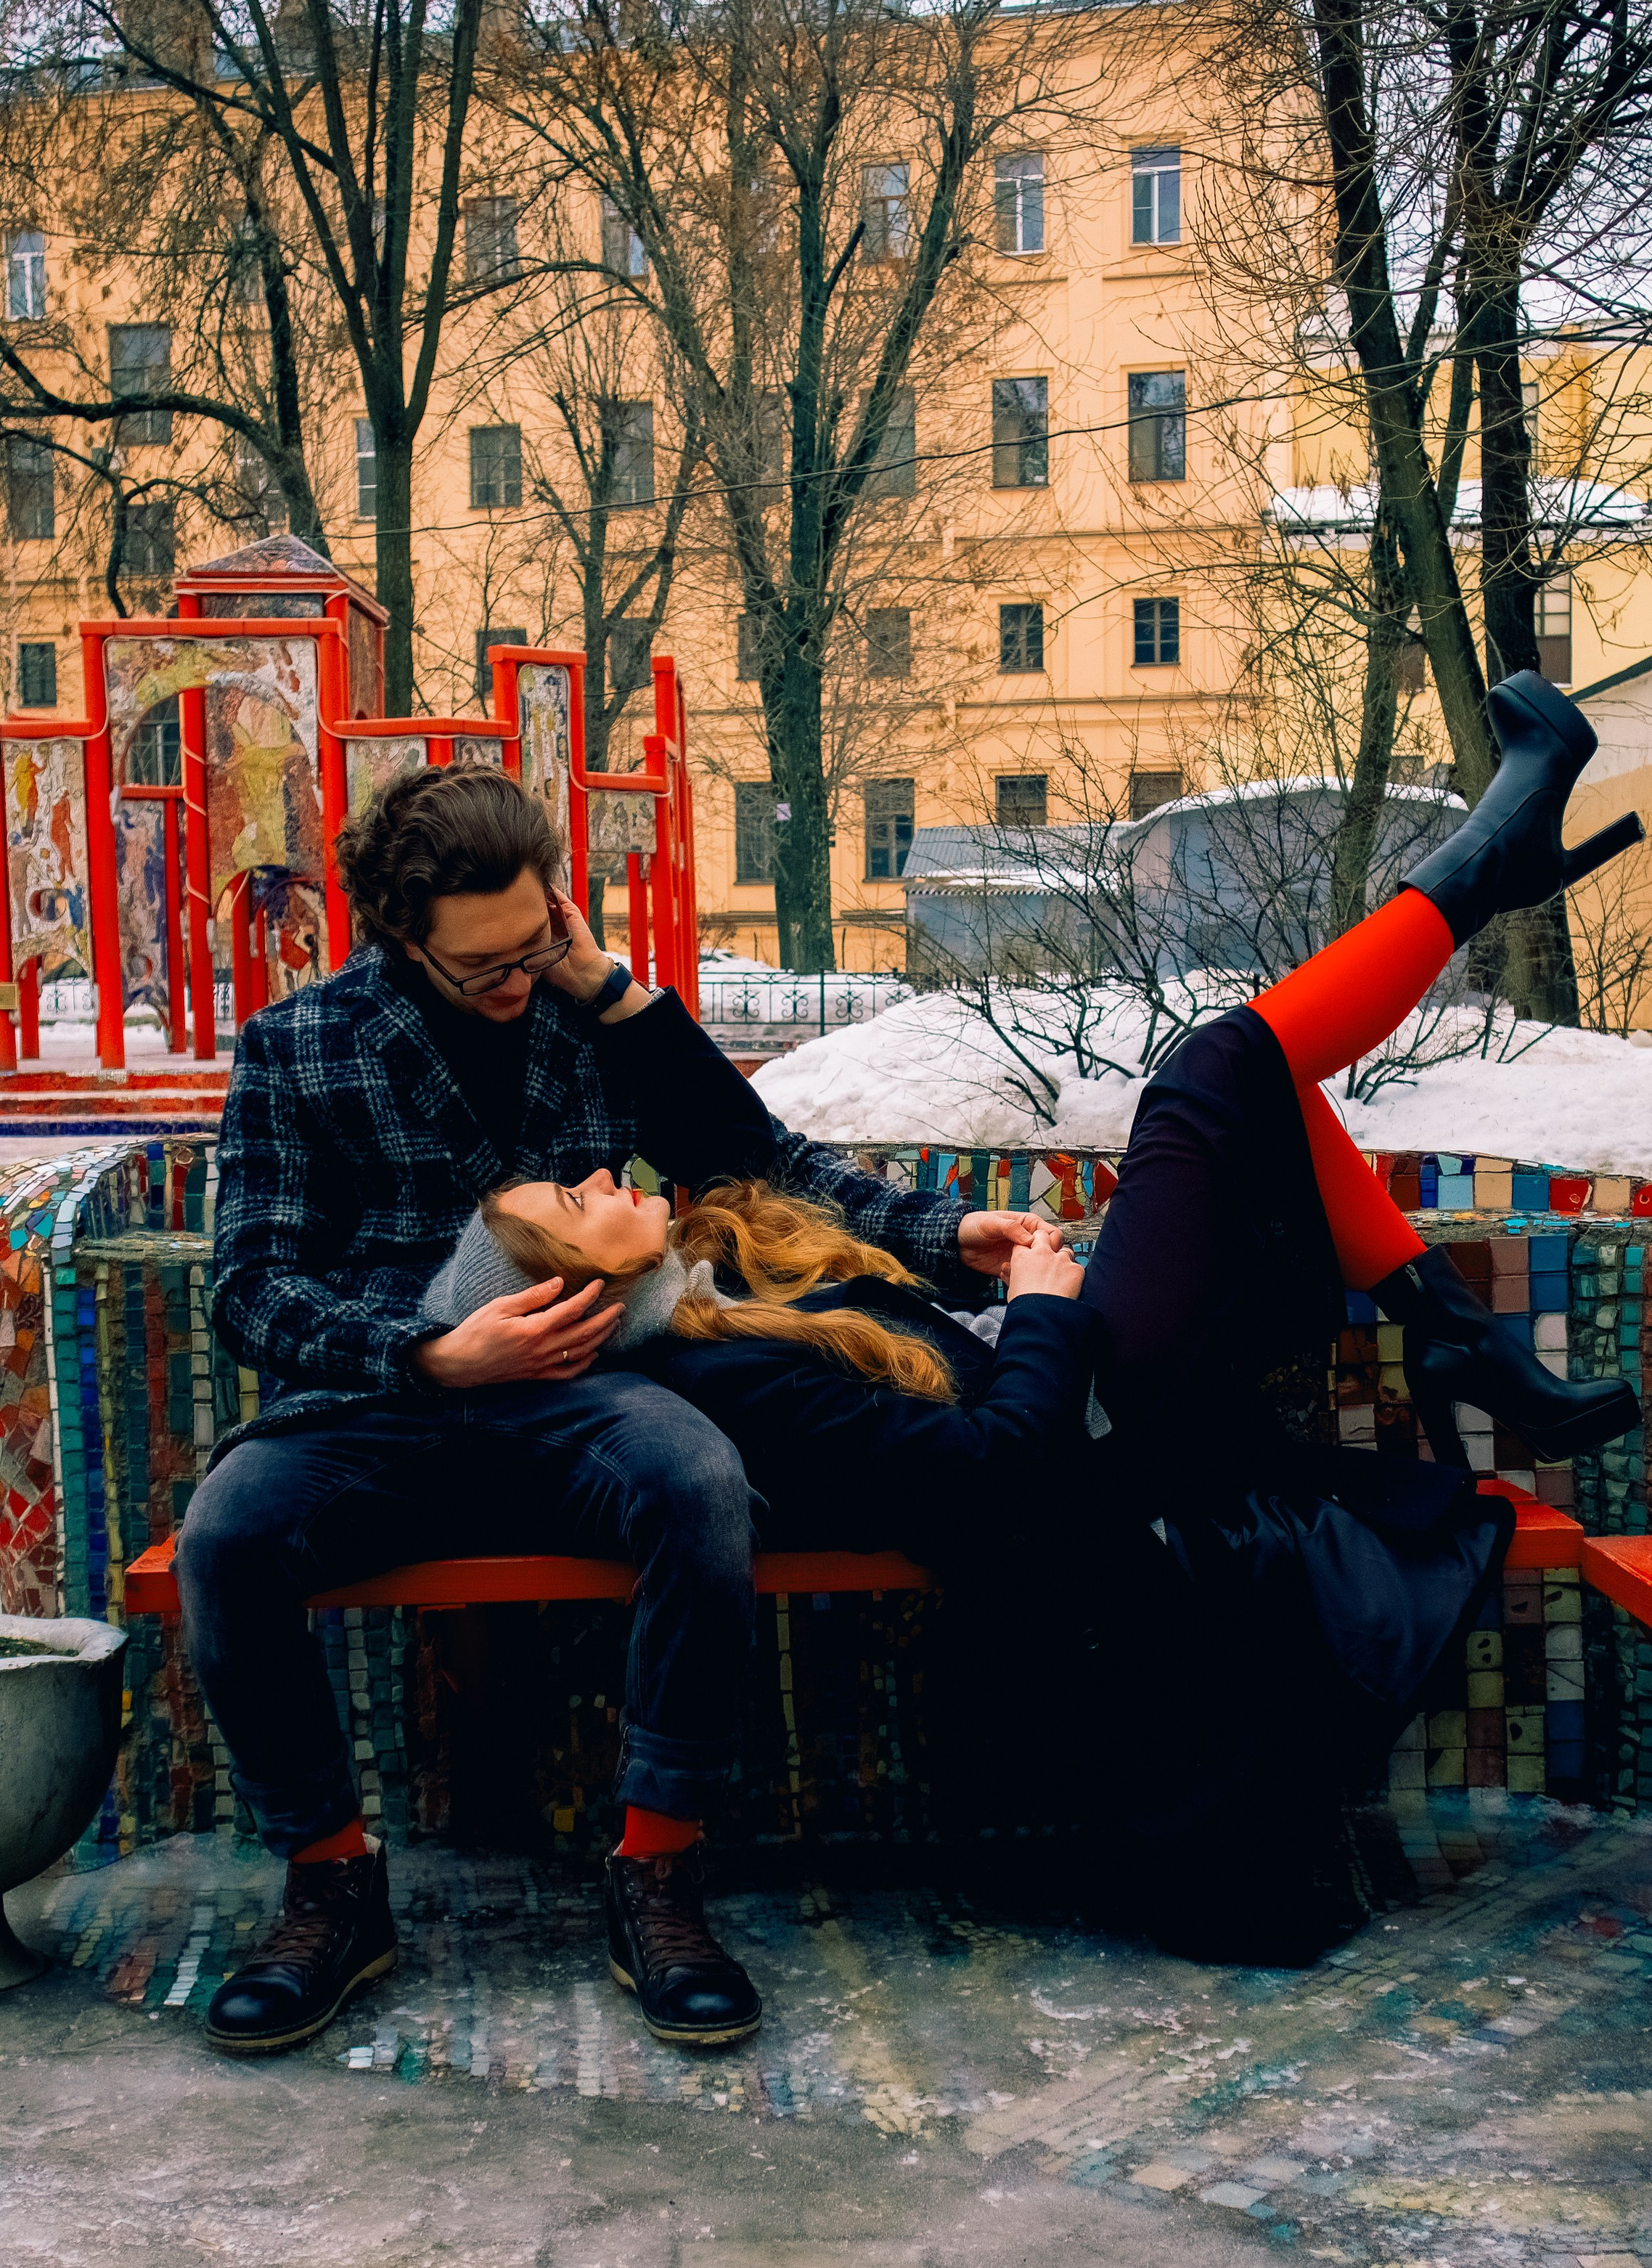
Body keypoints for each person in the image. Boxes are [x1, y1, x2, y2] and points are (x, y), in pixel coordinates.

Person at [435, 674, 1645, 1960]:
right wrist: (1045, 1313)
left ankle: (1445, 1306)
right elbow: (992, 1476)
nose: (604, 1173)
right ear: (580, 1291)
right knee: (1219, 1069)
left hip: (1076, 1382)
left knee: (1248, 1085)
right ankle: (1477, 890)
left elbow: (760, 1150)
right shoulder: (722, 1376)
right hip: (1097, 1437)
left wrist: (970, 1260)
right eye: (574, 1200)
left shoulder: (716, 1275)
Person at [179, 763, 1042, 2058]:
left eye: (536, 943)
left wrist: (942, 1230)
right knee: (226, 1534)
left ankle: (656, 1870)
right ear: (399, 935)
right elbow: (249, 1289)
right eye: (484, 969)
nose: (515, 981)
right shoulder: (302, 1046)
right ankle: (331, 1883)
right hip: (391, 1398)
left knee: (698, 1481)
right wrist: (426, 1353)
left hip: (589, 1394)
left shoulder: (591, 1014)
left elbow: (760, 1165)